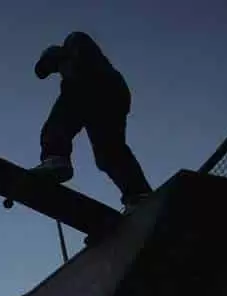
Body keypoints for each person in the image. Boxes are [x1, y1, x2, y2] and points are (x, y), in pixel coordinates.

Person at [33, 31, 153, 212]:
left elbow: (85, 61)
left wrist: (73, 67)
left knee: (56, 125)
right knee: (109, 152)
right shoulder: (68, 73)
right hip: (111, 99)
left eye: (52, 65)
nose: (54, 70)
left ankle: (56, 158)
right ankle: (138, 195)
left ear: (55, 53)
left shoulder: (74, 42)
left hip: (99, 87)